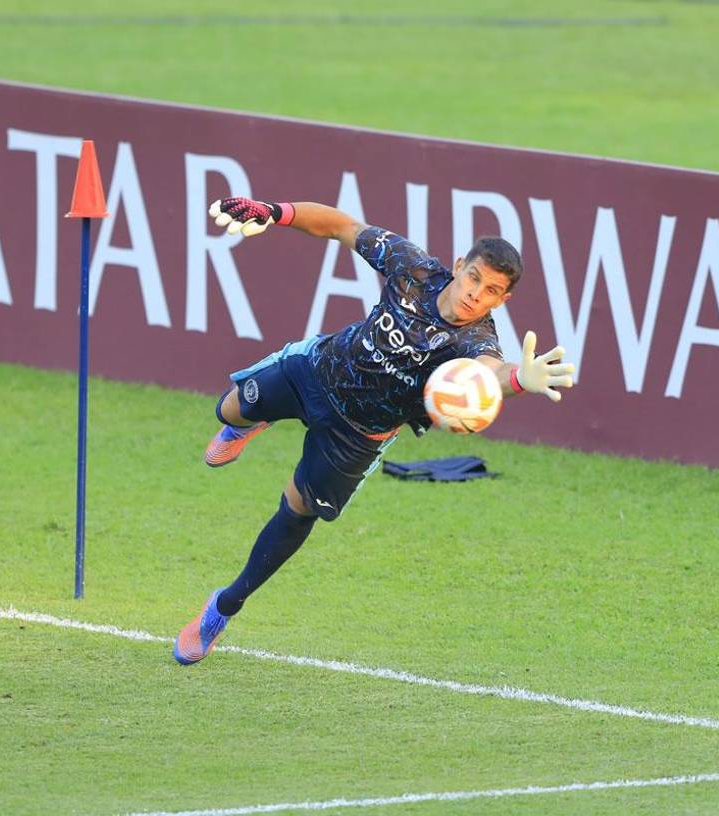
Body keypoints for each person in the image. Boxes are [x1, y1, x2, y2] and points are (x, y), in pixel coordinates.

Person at [173, 196, 575, 665]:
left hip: (357, 436)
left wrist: (520, 380)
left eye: (490, 292)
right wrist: (275, 212)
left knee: (298, 511)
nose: (474, 294)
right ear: (460, 265)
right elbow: (341, 226)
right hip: (317, 371)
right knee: (228, 410)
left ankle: (224, 606)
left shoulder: (475, 341)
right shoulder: (412, 266)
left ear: (502, 301)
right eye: (473, 278)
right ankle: (249, 422)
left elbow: (490, 372)